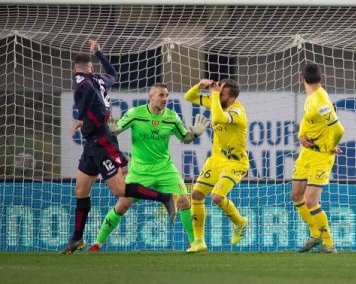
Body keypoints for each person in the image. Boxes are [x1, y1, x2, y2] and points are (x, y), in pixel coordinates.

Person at [62, 39, 177, 254]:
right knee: (81, 189)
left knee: (119, 190)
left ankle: (164, 197)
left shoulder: (80, 80)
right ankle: (77, 239)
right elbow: (114, 74)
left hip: (102, 142)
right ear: (92, 67)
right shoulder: (99, 78)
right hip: (92, 143)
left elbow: (88, 93)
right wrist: (100, 53)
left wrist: (80, 115)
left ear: (74, 69)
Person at [87, 83, 211, 251]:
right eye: (161, 95)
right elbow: (116, 129)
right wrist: (113, 130)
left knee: (183, 200)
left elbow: (185, 138)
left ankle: (194, 243)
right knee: (123, 204)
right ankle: (97, 243)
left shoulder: (172, 116)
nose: (165, 99)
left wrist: (195, 134)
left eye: (166, 95)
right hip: (140, 170)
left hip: (165, 168)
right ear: (150, 97)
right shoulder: (135, 114)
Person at [183, 78, 250, 253]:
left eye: (222, 94)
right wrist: (200, 86)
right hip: (217, 159)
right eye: (218, 92)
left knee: (216, 197)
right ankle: (199, 242)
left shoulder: (237, 111)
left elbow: (219, 117)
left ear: (232, 98)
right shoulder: (216, 101)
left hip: (235, 162)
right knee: (196, 194)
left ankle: (240, 222)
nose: (218, 95)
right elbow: (189, 96)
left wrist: (213, 95)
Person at [291, 63, 345, 253]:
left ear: (302, 79)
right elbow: (308, 121)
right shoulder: (312, 97)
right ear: (320, 79)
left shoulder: (321, 101)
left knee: (310, 201)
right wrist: (301, 136)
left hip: (321, 156)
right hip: (307, 153)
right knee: (296, 195)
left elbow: (339, 129)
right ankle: (315, 234)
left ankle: (329, 244)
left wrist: (330, 145)